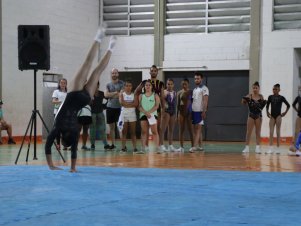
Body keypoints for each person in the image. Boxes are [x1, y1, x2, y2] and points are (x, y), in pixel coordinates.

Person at [45, 26, 116, 172]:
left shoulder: (75, 131)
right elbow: (48, 146)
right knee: (87, 63)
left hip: (84, 100)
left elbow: (74, 151)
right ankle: (98, 37)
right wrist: (51, 165)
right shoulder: (58, 126)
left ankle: (111, 48)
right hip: (73, 94)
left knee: (98, 71)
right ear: (63, 138)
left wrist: (73, 168)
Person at [135, 65, 164, 150]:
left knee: (156, 129)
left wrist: (163, 108)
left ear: (157, 72)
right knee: (144, 130)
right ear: (150, 72)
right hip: (144, 109)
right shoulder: (144, 82)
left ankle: (158, 146)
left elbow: (162, 97)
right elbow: (136, 91)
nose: (153, 72)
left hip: (155, 109)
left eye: (155, 71)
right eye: (152, 71)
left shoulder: (161, 84)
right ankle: (145, 146)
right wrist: (135, 103)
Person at [241, 81, 266, 154]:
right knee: (248, 132)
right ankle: (246, 148)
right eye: (254, 88)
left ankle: (258, 148)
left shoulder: (261, 96)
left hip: (258, 116)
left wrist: (263, 103)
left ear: (259, 88)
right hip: (251, 115)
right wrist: (244, 100)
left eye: (256, 88)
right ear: (252, 88)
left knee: (258, 132)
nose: (255, 89)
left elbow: (261, 107)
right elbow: (242, 102)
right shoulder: (249, 95)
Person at [266, 84, 290, 154]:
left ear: (279, 90)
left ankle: (278, 148)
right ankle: (270, 148)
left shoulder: (281, 97)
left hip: (279, 116)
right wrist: (267, 112)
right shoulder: (270, 97)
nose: (274, 90)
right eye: (273, 89)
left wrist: (285, 113)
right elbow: (267, 106)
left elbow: (288, 105)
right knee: (271, 132)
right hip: (272, 116)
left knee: (278, 132)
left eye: (276, 89)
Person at [138, 80, 160, 153]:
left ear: (151, 86)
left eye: (149, 85)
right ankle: (143, 148)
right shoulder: (141, 95)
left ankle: (157, 148)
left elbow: (156, 106)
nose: (147, 86)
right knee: (144, 132)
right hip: (143, 115)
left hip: (152, 115)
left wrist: (149, 112)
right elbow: (139, 106)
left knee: (154, 131)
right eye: (146, 85)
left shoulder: (155, 95)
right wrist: (145, 112)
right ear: (144, 87)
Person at [104, 68, 124, 150]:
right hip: (110, 108)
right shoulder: (108, 84)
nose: (114, 74)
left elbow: (121, 94)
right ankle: (113, 144)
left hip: (119, 108)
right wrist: (116, 93)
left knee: (120, 127)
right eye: (113, 73)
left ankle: (123, 146)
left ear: (118, 74)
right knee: (111, 128)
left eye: (115, 73)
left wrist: (111, 94)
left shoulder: (122, 83)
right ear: (111, 74)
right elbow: (106, 95)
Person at [189, 72, 209, 153]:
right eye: (195, 78)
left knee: (198, 129)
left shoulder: (204, 89)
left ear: (201, 79)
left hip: (200, 111)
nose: (196, 80)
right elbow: (193, 101)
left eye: (198, 78)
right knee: (196, 130)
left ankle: (194, 147)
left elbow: (205, 100)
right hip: (194, 111)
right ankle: (200, 146)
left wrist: (204, 111)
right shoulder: (194, 89)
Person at [118, 80, 138, 152]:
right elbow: (121, 103)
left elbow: (136, 104)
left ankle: (135, 148)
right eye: (127, 86)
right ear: (124, 86)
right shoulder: (122, 94)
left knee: (133, 132)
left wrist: (127, 104)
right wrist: (131, 104)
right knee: (124, 132)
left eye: (130, 86)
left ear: (132, 87)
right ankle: (123, 148)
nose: (128, 87)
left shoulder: (134, 94)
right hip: (124, 115)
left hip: (132, 115)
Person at [89, 82, 110, 150]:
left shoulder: (101, 93)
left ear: (98, 85)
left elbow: (107, 100)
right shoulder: (90, 93)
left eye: (96, 85)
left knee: (102, 129)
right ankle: (92, 144)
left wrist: (104, 106)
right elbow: (87, 102)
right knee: (92, 129)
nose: (95, 86)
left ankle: (105, 144)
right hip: (92, 113)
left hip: (100, 113)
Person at [159, 78, 177, 152]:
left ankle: (170, 145)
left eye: (171, 84)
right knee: (162, 129)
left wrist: (175, 113)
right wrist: (162, 111)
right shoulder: (164, 92)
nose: (169, 85)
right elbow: (161, 102)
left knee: (171, 130)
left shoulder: (175, 92)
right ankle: (161, 145)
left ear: (173, 85)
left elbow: (175, 103)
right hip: (166, 111)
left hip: (172, 111)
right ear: (166, 84)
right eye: (168, 84)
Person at [176, 78, 194, 152]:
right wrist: (177, 115)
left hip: (189, 112)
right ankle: (181, 147)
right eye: (183, 84)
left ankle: (193, 146)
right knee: (181, 130)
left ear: (188, 84)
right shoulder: (179, 92)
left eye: (185, 84)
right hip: (181, 112)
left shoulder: (191, 92)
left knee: (190, 130)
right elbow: (177, 104)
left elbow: (194, 102)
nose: (184, 85)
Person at [52, 78, 67, 150]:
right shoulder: (56, 91)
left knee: (65, 129)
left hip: (65, 113)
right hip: (57, 112)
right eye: (61, 83)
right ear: (59, 84)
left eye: (64, 83)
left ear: (66, 84)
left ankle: (65, 144)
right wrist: (61, 102)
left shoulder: (68, 93)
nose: (63, 84)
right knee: (57, 129)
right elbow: (53, 101)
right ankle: (58, 144)